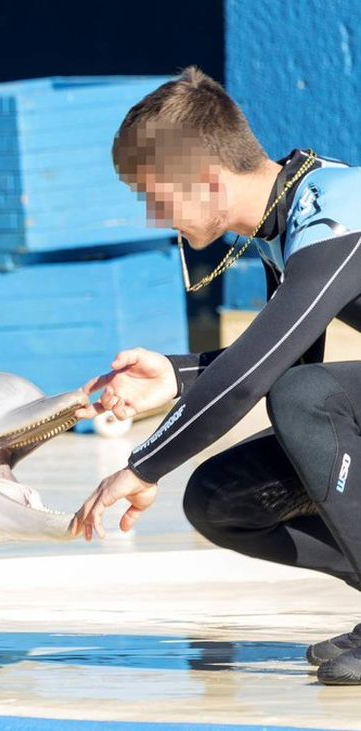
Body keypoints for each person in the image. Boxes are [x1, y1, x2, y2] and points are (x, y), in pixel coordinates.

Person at [68, 66, 361, 685]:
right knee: (221, 499)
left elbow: (264, 377)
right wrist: (175, 374)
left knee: (303, 398)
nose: (153, 216)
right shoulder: (291, 220)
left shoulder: (338, 213)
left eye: (155, 196)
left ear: (207, 182)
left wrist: (139, 466)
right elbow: (281, 356)